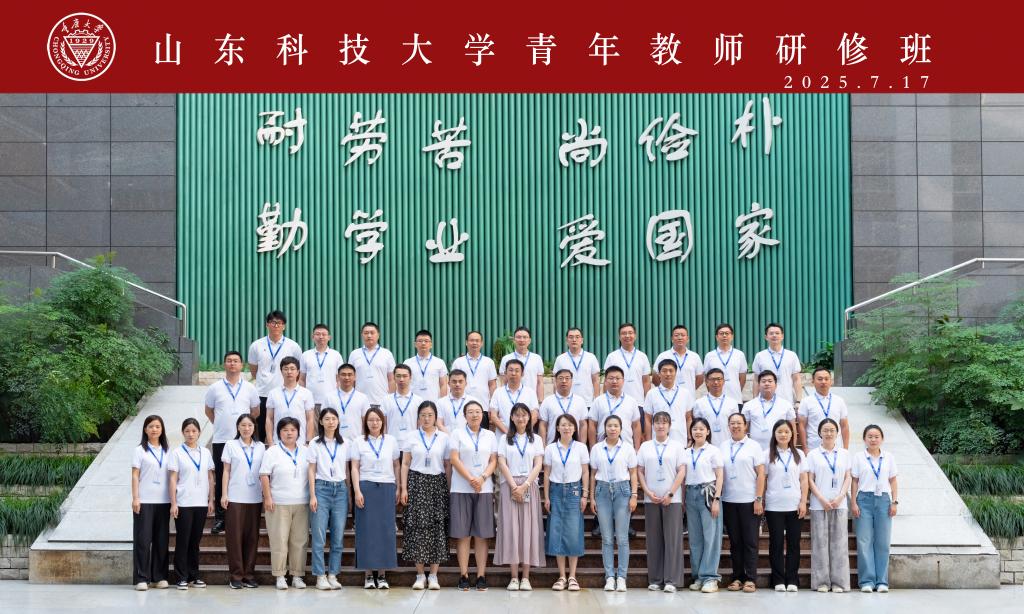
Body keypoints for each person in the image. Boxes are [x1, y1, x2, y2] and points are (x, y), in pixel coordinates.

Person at [204, 351, 260, 535]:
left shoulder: (250, 388)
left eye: (236, 361)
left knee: (242, 475)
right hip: (221, 439)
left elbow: (255, 412)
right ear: (224, 364)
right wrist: (222, 424)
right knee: (221, 477)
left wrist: (244, 428)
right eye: (229, 361)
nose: (232, 364)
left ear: (242, 365)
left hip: (243, 440)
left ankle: (242, 515)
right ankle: (221, 518)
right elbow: (209, 411)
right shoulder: (215, 388)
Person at [400, 401, 451, 590]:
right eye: (423, 415)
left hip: (437, 484)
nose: (426, 418)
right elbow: (405, 463)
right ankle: (420, 575)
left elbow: (447, 465)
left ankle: (434, 575)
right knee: (417, 528)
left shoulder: (444, 438)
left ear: (436, 417)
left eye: (430, 415)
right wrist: (403, 488)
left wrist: (449, 488)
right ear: (418, 417)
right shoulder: (411, 436)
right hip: (417, 483)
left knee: (437, 528)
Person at [495, 403, 546, 590]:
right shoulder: (504, 439)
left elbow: (538, 464)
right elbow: (501, 463)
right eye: (517, 415)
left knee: (528, 530)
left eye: (524, 415)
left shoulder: (536, 439)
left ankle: (526, 577)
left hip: (529, 486)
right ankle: (514, 577)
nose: (521, 418)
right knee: (512, 529)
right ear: (512, 418)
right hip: (509, 485)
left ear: (529, 418)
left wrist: (524, 485)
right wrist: (514, 486)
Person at [449, 400, 498, 591]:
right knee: (463, 535)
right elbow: (454, 459)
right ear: (465, 415)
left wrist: (482, 477)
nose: (475, 415)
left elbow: (493, 460)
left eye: (478, 411)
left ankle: (481, 575)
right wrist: (471, 479)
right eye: (470, 412)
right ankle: (463, 575)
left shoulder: (490, 435)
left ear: (482, 415)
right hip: (461, 488)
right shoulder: (457, 433)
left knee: (481, 535)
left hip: (484, 489)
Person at [637, 411, 687, 592]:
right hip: (651, 499)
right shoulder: (645, 446)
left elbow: (682, 471)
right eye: (657, 422)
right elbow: (640, 471)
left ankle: (672, 580)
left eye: (664, 422)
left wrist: (671, 493)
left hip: (672, 499)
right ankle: (656, 579)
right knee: (654, 539)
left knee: (672, 539)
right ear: (653, 425)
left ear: (669, 426)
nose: (660, 425)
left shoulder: (677, 446)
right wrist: (647, 492)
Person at [352, 407, 401, 589]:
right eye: (371, 420)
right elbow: (355, 467)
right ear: (365, 422)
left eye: (378, 420)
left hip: (387, 487)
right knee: (366, 531)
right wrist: (357, 491)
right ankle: (367, 575)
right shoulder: (359, 441)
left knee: (385, 531)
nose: (374, 423)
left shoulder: (391, 440)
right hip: (366, 487)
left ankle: (381, 575)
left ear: (383, 422)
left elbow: (396, 465)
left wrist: (398, 486)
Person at [259, 417, 310, 590]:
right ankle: (280, 575)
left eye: (293, 430)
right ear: (279, 433)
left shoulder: (305, 451)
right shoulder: (272, 452)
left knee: (300, 541)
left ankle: (297, 575)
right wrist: (267, 497)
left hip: (302, 502)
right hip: (278, 503)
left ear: (298, 433)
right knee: (279, 540)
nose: (289, 433)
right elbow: (264, 475)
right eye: (285, 430)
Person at [308, 407, 356, 590]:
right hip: (321, 488)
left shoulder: (345, 443)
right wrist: (312, 494)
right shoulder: (315, 443)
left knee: (338, 537)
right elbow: (311, 470)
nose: (331, 422)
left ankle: (333, 574)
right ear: (321, 421)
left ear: (338, 421)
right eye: (327, 419)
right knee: (319, 536)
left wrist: (349, 492)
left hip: (340, 489)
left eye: (334, 419)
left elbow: (348, 470)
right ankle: (320, 575)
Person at [758, 419, 809, 592]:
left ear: (792, 434)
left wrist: (803, 501)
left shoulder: (799, 454)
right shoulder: (767, 454)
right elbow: (763, 479)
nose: (783, 434)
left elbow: (804, 479)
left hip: (794, 505)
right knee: (776, 544)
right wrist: (761, 500)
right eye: (779, 431)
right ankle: (778, 579)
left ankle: (792, 579)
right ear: (774, 434)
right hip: (774, 506)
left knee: (794, 544)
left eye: (786, 431)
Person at [590, 414, 639, 592]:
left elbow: (633, 473)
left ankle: (622, 577)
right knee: (607, 538)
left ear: (620, 429)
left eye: (616, 426)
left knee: (623, 538)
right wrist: (592, 497)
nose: (612, 429)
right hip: (602, 491)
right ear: (605, 428)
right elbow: (592, 474)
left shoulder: (627, 448)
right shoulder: (597, 448)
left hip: (622, 491)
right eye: (609, 426)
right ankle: (610, 576)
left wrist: (634, 495)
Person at [543, 414, 590, 592]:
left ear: (575, 428)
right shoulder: (550, 448)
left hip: (574, 490)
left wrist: (585, 495)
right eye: (563, 425)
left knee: (573, 531)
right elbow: (546, 473)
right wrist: (546, 497)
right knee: (556, 531)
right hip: (555, 490)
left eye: (570, 425)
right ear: (557, 428)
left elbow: (585, 472)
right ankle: (562, 576)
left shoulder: (581, 447)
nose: (567, 428)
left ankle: (572, 576)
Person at [167, 417, 215, 590]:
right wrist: (173, 503)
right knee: (183, 540)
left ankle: (194, 576)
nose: (190, 434)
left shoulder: (206, 453)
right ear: (183, 433)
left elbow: (210, 478)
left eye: (194, 431)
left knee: (195, 541)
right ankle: (181, 577)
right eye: (187, 431)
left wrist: (211, 499)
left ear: (199, 433)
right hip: (184, 502)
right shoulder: (177, 453)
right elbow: (173, 479)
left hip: (201, 503)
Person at [851, 424, 899, 593]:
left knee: (883, 542)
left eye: (876, 436)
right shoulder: (859, 457)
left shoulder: (889, 457)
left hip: (884, 500)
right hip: (864, 500)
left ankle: (882, 581)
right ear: (864, 439)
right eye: (870, 436)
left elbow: (893, 481)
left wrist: (895, 502)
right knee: (864, 541)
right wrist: (853, 502)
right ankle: (867, 581)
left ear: (882, 439)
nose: (873, 439)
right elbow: (854, 481)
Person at [721, 412, 765, 593]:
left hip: (749, 500)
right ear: (728, 426)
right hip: (729, 500)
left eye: (739, 423)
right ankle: (737, 577)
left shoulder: (754, 446)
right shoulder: (723, 446)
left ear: (745, 425)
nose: (735, 426)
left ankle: (751, 578)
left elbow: (761, 474)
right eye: (732, 423)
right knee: (735, 542)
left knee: (750, 541)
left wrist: (758, 498)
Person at [806, 418, 852, 593]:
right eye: (825, 430)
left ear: (837, 433)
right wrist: (821, 499)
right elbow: (810, 479)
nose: (829, 433)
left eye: (832, 430)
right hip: (819, 504)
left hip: (839, 504)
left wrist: (840, 497)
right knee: (820, 543)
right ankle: (821, 582)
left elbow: (848, 477)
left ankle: (840, 583)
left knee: (839, 544)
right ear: (819, 433)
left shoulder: (844, 454)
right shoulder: (813, 454)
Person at [220, 414, 265, 589]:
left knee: (252, 537)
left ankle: (249, 574)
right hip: (235, 496)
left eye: (250, 425)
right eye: (243, 425)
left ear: (254, 427)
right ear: (238, 427)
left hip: (255, 497)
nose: (246, 428)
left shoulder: (261, 447)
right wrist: (224, 494)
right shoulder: (231, 445)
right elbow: (226, 471)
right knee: (234, 537)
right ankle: (236, 575)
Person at [248, 310, 303, 442]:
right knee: (260, 432)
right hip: (262, 394)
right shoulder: (256, 345)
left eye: (279, 323)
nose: (276, 325)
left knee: (283, 430)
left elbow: (298, 370)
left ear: (284, 326)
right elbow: (254, 370)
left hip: (284, 394)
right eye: (273, 322)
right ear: (267, 324)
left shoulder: (293, 346)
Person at [685, 418, 725, 593]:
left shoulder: (713, 451)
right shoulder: (686, 452)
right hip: (690, 494)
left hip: (708, 493)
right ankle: (698, 577)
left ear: (708, 431)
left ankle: (710, 577)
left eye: (702, 429)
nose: (698, 431)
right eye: (695, 429)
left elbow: (720, 476)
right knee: (695, 539)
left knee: (711, 537)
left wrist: (716, 499)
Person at [131, 415, 171, 591]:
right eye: (151, 426)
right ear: (145, 430)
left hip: (164, 501)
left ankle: (159, 577)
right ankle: (141, 578)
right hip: (145, 501)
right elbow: (135, 475)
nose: (154, 429)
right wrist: (136, 498)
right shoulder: (140, 450)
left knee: (161, 540)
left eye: (157, 426)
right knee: (143, 540)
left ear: (162, 430)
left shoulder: (168, 451)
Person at [603, 323, 652, 431]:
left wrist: (647, 402)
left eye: (630, 333)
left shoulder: (642, 356)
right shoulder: (612, 356)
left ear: (635, 335)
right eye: (624, 333)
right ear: (619, 337)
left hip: (638, 403)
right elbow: (607, 381)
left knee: (638, 433)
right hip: (616, 403)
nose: (627, 336)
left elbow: (646, 381)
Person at [588, 366, 642, 450]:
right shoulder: (598, 401)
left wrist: (637, 448)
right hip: (603, 448)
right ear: (605, 381)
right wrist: (592, 448)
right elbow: (592, 425)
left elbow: (636, 426)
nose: (614, 381)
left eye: (617, 378)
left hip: (626, 447)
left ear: (623, 381)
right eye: (611, 378)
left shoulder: (631, 401)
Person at [265, 356, 316, 445]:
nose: (289, 372)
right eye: (286, 369)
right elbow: (269, 419)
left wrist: (308, 442)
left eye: (292, 369)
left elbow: (310, 419)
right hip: (278, 442)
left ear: (298, 372)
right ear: (281, 371)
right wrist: (270, 442)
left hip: (300, 442)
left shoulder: (306, 393)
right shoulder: (273, 393)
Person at [643, 359, 694, 446]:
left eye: (671, 371)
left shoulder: (685, 393)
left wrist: (690, 438)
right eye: (664, 371)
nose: (668, 374)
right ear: (659, 374)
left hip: (680, 440)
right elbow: (648, 419)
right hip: (658, 442)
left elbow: (688, 418)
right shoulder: (652, 394)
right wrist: (648, 441)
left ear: (676, 373)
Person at [751, 323, 803, 406]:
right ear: (766, 337)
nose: (774, 335)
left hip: (787, 400)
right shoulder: (760, 356)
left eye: (777, 333)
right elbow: (756, 380)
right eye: (771, 333)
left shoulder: (791, 355)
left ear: (782, 336)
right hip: (765, 402)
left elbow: (796, 379)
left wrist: (799, 401)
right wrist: (755, 401)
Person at [798, 368, 850, 451]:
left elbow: (844, 426)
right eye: (820, 379)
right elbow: (802, 426)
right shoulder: (806, 402)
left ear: (831, 381)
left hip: (836, 448)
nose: (823, 382)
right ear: (813, 381)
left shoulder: (839, 401)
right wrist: (805, 448)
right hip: (814, 448)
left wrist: (845, 449)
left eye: (826, 379)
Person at [741, 371, 796, 450]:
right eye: (763, 381)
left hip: (779, 449)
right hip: (755, 450)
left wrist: (792, 449)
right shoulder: (749, 405)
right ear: (758, 385)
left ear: (776, 385)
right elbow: (744, 430)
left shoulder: (786, 404)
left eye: (770, 381)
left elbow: (793, 429)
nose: (767, 384)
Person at [348, 321, 397, 407]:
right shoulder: (354, 354)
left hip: (382, 401)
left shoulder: (387, 354)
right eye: (366, 333)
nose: (369, 335)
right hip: (359, 402)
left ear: (378, 335)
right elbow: (350, 379)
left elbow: (392, 379)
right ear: (362, 335)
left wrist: (391, 400)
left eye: (372, 333)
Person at [689, 368, 739, 451]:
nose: (716, 382)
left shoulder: (732, 403)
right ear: (707, 382)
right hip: (706, 447)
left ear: (724, 381)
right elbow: (697, 426)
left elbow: (735, 426)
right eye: (712, 379)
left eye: (719, 379)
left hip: (728, 446)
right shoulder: (699, 403)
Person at [299, 323, 344, 412]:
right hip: (310, 401)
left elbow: (339, 379)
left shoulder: (336, 355)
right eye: (318, 334)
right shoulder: (306, 355)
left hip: (331, 401)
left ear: (329, 337)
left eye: (324, 334)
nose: (321, 337)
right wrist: (303, 397)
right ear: (312, 337)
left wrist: (337, 397)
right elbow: (301, 379)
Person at [551, 327, 601, 406]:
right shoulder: (560, 359)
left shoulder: (591, 357)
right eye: (571, 337)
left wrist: (596, 400)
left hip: (587, 403)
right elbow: (555, 382)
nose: (574, 340)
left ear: (582, 340)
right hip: (566, 403)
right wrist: (556, 400)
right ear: (567, 340)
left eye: (577, 337)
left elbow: (596, 380)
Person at [539, 369, 590, 445]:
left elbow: (583, 425)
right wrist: (543, 446)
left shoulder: (580, 401)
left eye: (567, 378)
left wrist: (582, 445)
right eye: (560, 378)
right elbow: (543, 425)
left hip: (575, 446)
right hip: (553, 445)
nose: (564, 381)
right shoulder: (547, 401)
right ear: (555, 381)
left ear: (572, 381)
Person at [489, 358, 539, 434]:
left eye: (517, 370)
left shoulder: (530, 392)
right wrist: (508, 433)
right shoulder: (498, 392)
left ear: (522, 374)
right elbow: (493, 416)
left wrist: (522, 432)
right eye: (511, 370)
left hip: (525, 435)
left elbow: (534, 415)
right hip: (503, 435)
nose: (513, 373)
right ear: (505, 373)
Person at [653, 325, 704, 396]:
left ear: (687, 339)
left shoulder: (695, 356)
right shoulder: (663, 356)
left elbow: (700, 378)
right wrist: (664, 390)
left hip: (688, 397)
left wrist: (691, 388)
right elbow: (655, 377)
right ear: (672, 339)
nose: (680, 338)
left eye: (683, 335)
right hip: (668, 397)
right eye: (676, 335)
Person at [321, 363, 371, 438]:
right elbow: (323, 419)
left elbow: (366, 421)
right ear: (338, 377)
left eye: (350, 375)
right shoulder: (329, 397)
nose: (347, 377)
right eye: (343, 374)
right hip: (334, 441)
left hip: (356, 440)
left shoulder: (363, 398)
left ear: (355, 377)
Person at [450, 331, 498, 407]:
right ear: (466, 343)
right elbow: (452, 383)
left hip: (483, 405)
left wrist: (493, 405)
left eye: (477, 341)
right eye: (471, 340)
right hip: (461, 405)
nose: (474, 343)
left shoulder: (489, 362)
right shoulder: (458, 362)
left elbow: (492, 385)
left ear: (481, 343)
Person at [702, 324, 748, 403]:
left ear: (732, 336)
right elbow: (707, 379)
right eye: (721, 333)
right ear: (717, 337)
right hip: (715, 400)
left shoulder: (739, 355)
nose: (724, 336)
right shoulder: (709, 356)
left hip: (735, 399)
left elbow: (742, 378)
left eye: (727, 333)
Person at [498, 326, 545, 401]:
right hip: (511, 400)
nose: (522, 340)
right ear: (514, 340)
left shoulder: (537, 358)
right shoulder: (506, 359)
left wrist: (540, 401)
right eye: (519, 337)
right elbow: (503, 382)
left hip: (531, 400)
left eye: (525, 337)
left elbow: (540, 382)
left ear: (529, 340)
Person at [403, 329, 449, 403]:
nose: (423, 343)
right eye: (420, 341)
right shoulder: (408, 363)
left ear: (431, 344)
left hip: (434, 403)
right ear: (415, 344)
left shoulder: (439, 362)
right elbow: (404, 384)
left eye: (426, 341)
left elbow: (443, 384)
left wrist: (442, 403)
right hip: (412, 403)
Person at [386, 364, 424, 442]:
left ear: (410, 377)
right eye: (398, 376)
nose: (401, 379)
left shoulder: (419, 400)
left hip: (412, 443)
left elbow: (420, 425)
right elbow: (384, 425)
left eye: (405, 376)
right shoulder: (386, 400)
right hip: (392, 444)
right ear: (394, 377)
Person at [437, 369, 478, 434]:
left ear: (466, 383)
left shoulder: (473, 401)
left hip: (467, 437)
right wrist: (451, 437)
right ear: (449, 384)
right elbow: (439, 423)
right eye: (454, 381)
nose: (457, 384)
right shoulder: (440, 402)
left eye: (460, 381)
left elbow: (476, 423)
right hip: (447, 437)